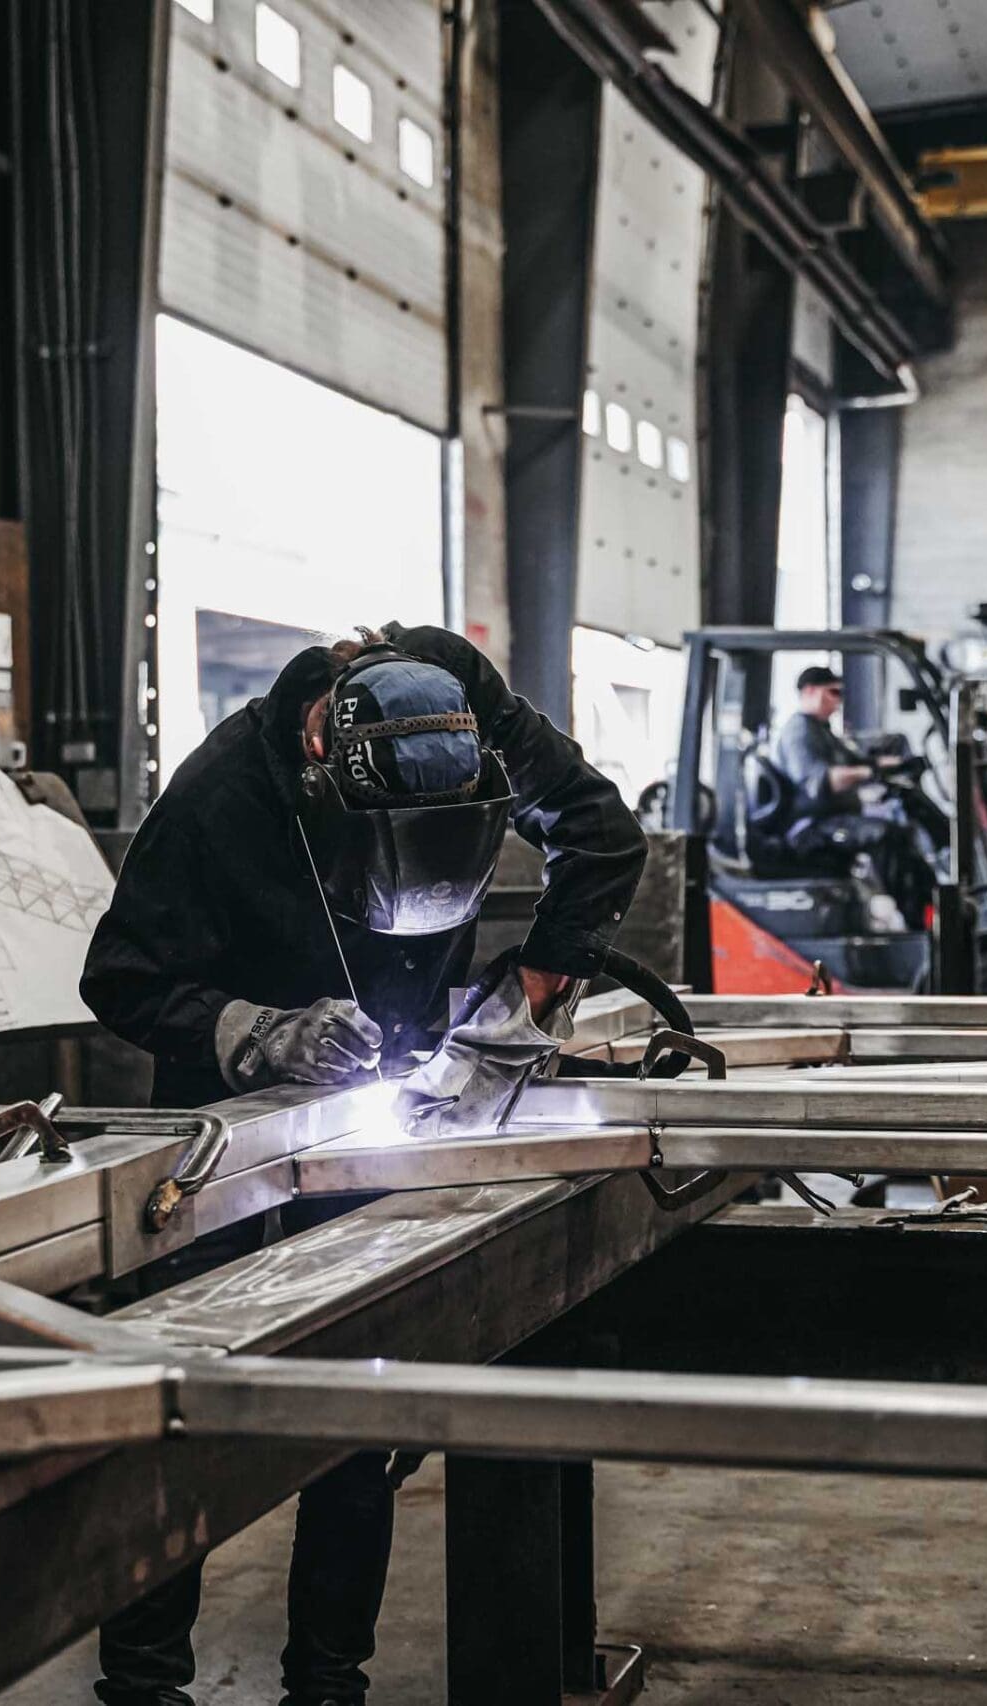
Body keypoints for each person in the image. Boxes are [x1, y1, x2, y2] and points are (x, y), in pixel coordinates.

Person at [79, 622, 646, 1706]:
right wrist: (253, 1030)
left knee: (358, 1398)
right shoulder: (217, 800)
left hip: (391, 1102)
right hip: (230, 1126)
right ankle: (145, 1682)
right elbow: (122, 976)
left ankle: (330, 1683)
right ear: (317, 773)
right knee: (188, 1403)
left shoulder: (471, 704)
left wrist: (529, 993)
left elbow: (602, 835)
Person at [765, 665, 938, 922]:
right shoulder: (799, 733)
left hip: (833, 818)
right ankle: (917, 922)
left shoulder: (821, 730)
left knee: (903, 829)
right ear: (810, 691)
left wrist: (904, 764)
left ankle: (930, 906)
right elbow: (824, 782)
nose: (838, 701)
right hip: (813, 828)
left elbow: (858, 760)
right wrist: (869, 773)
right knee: (885, 835)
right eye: (833, 692)